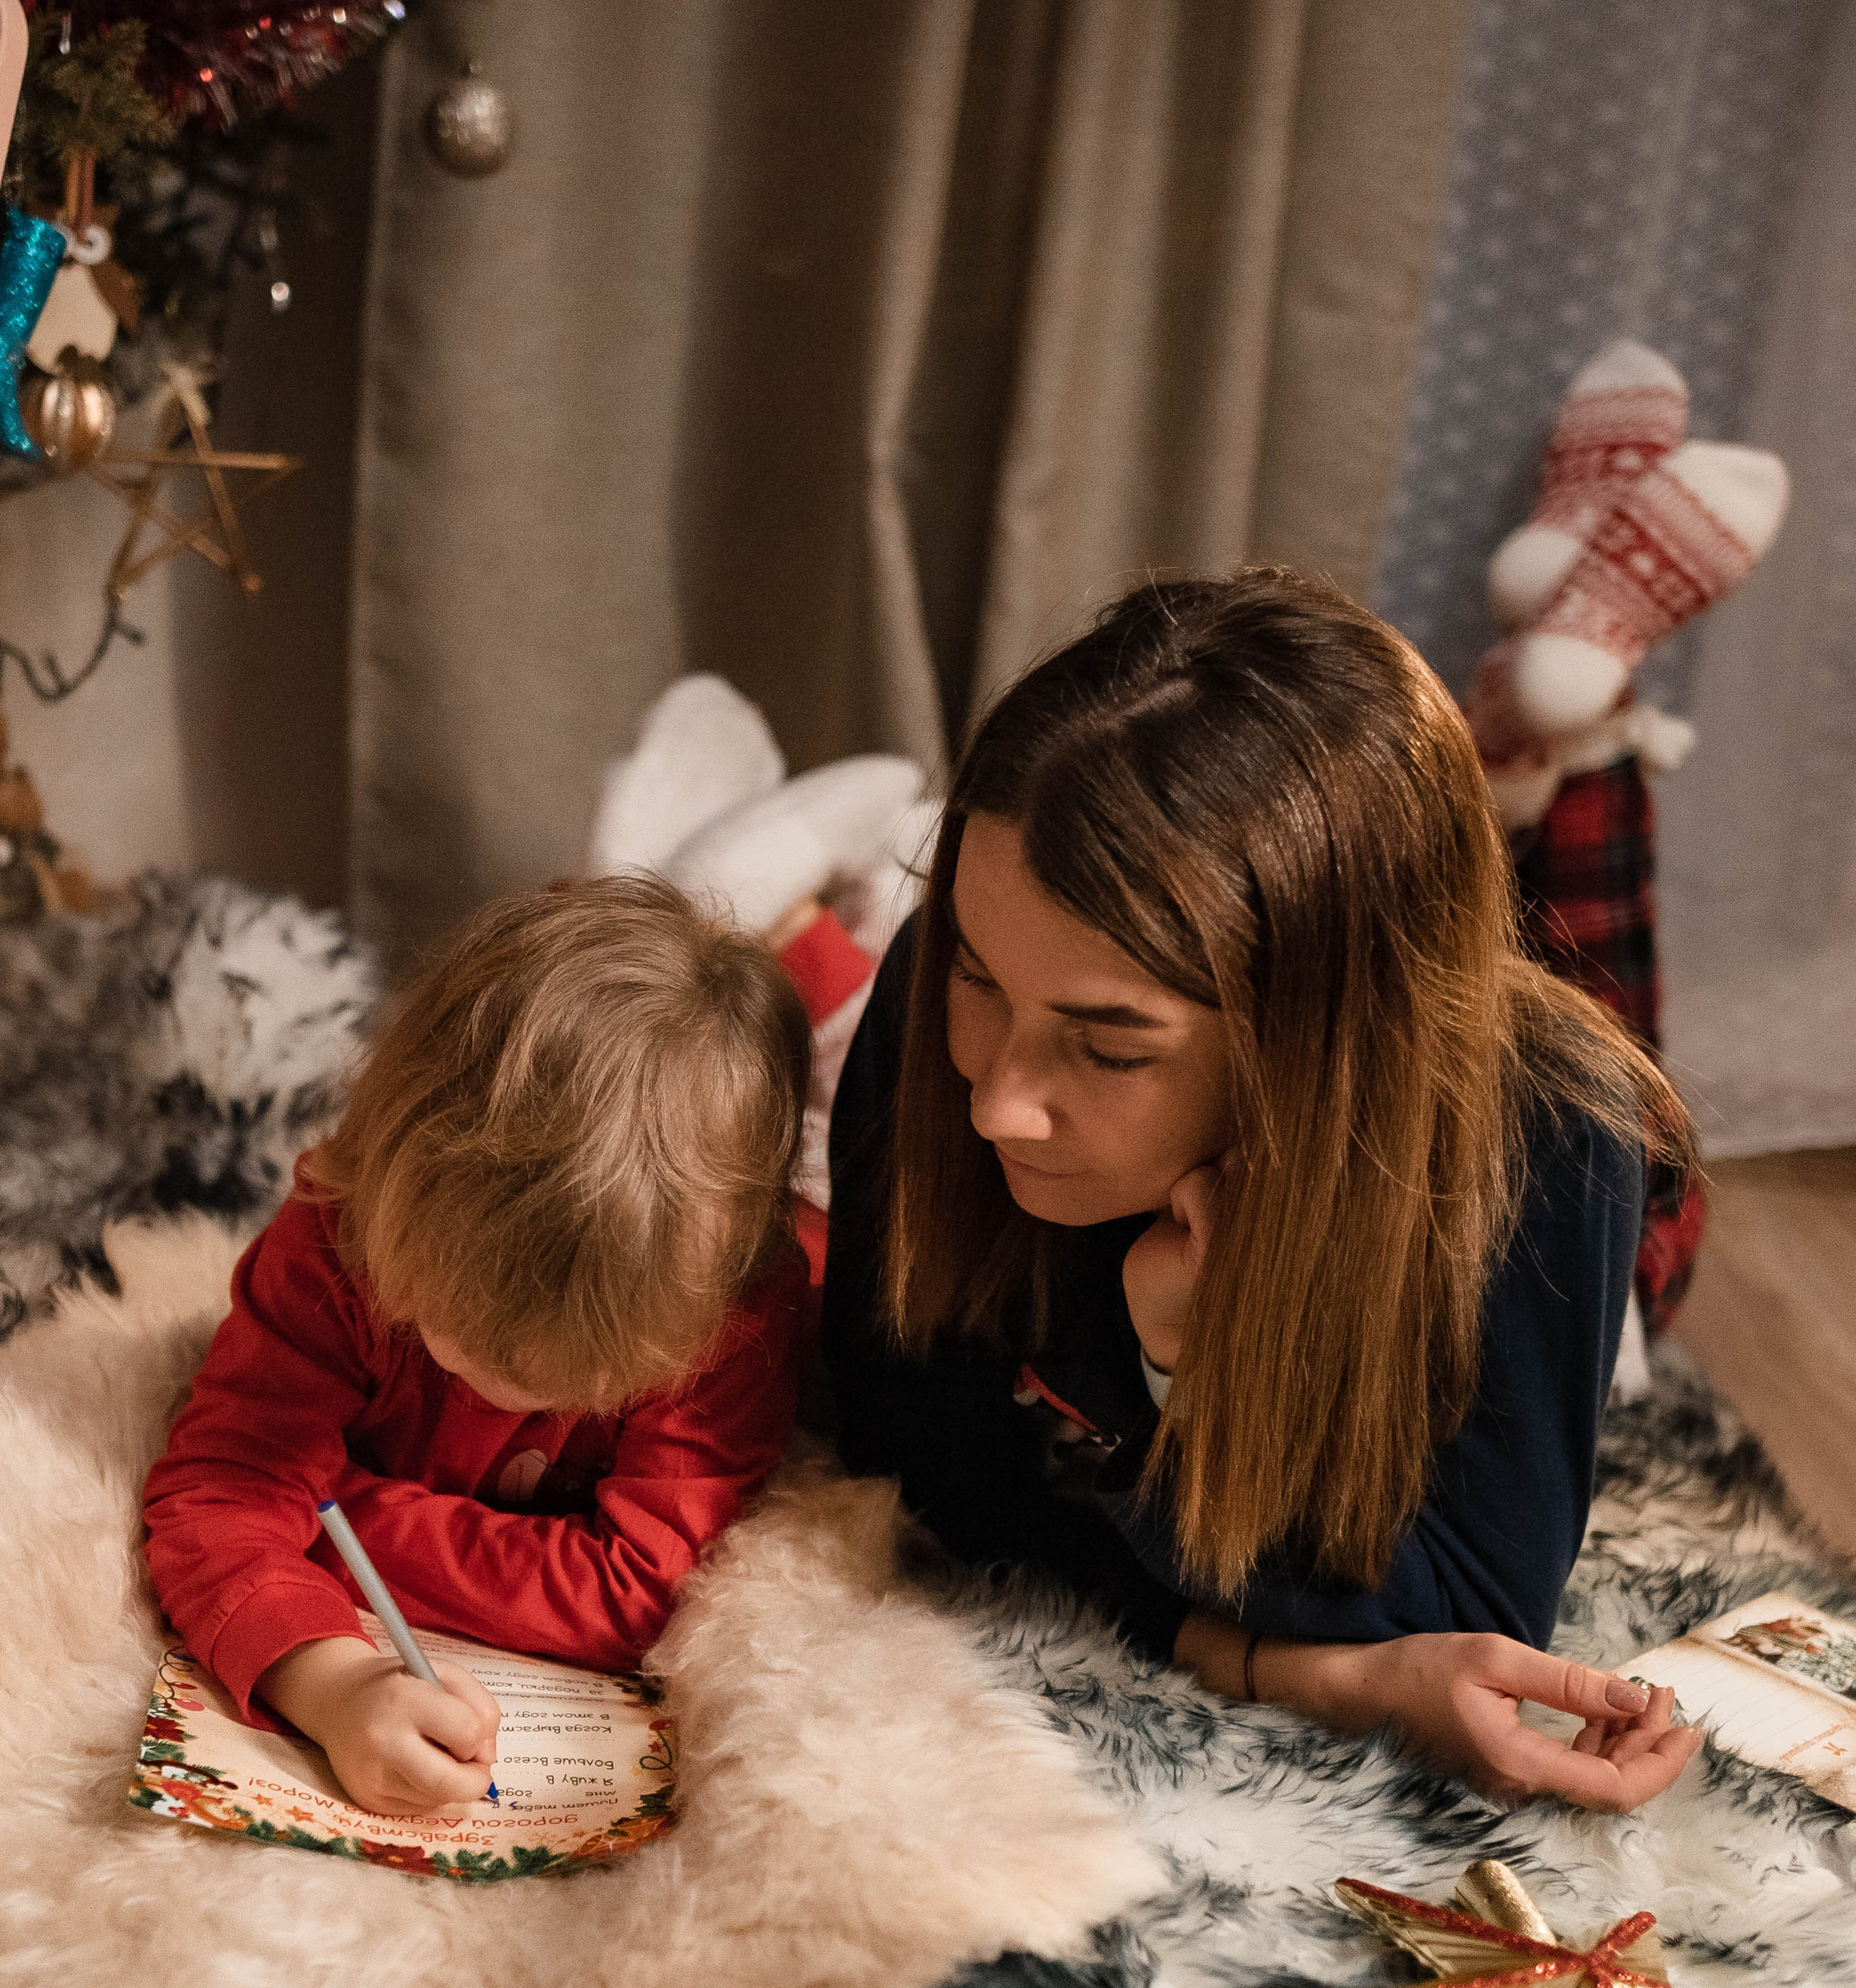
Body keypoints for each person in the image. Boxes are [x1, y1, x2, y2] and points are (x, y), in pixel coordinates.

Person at [823, 568, 1702, 1811]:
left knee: (1648, 1217)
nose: (995, 1104)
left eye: (1109, 1043)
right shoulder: (933, 985)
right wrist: (1286, 1667)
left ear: (1319, 1052)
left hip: (1508, 1165)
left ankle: (1581, 708)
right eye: (984, 981)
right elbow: (920, 1456)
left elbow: (1469, 1614)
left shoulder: (1554, 1139)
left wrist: (1196, 1363)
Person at [144, 875, 811, 1821]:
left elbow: (634, 1592)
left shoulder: (732, 1313)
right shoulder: (342, 1231)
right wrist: (334, 1688)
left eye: (577, 1372)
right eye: (458, 1330)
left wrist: (341, 1503)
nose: (506, 1386)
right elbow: (221, 1489)